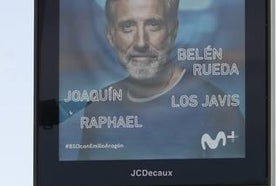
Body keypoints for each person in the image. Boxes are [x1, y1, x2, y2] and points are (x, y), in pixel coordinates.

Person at [75, 0, 246, 160]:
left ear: (173, 31)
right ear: (110, 35)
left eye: (153, 25)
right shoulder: (98, 107)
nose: (141, 42)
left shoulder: (218, 109)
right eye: (127, 26)